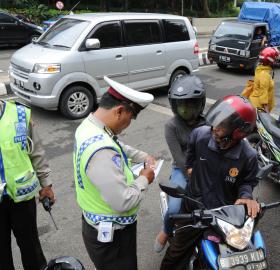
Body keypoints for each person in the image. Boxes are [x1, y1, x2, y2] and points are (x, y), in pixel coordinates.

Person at [160, 95, 260, 270]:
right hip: (194, 210)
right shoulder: (200, 135)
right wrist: (192, 172)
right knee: (175, 254)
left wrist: (246, 196)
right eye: (216, 121)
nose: (215, 128)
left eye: (223, 125)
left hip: (225, 215)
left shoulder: (248, 156)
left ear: (238, 130)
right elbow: (189, 159)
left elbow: (248, 181)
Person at [74, 76, 156, 269]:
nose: (129, 124)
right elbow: (123, 201)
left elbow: (117, 145)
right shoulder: (101, 150)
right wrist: (144, 179)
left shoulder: (90, 125)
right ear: (119, 111)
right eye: (131, 118)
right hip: (112, 235)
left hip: (96, 223)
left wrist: (143, 156)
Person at [153, 75, 207, 253]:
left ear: (200, 103)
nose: (185, 109)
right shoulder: (171, 126)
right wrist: (193, 177)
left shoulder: (207, 123)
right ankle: (166, 231)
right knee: (176, 208)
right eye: (180, 104)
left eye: (190, 103)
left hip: (205, 168)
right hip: (182, 169)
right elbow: (179, 158)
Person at [0, 99, 55, 270]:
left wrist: (46, 185)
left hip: (22, 197)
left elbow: (36, 152)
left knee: (31, 247)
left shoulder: (20, 114)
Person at [247, 47, 280, 112]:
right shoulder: (265, 74)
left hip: (255, 103)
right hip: (259, 107)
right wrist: (266, 113)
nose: (276, 61)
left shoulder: (260, 69)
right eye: (275, 59)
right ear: (270, 61)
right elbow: (263, 94)